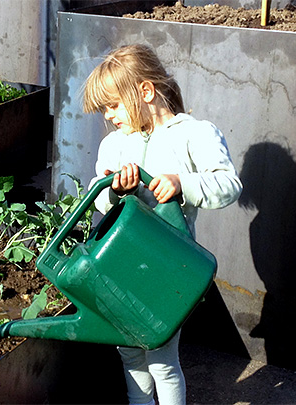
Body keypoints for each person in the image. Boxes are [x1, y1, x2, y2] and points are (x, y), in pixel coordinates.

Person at [83, 44, 243, 405]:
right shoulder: (113, 145)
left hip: (168, 266)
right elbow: (99, 199)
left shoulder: (193, 134)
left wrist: (182, 183)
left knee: (161, 359)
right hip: (121, 265)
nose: (109, 117)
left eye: (113, 105)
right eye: (105, 109)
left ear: (145, 92)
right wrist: (113, 189)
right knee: (128, 351)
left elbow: (228, 184)